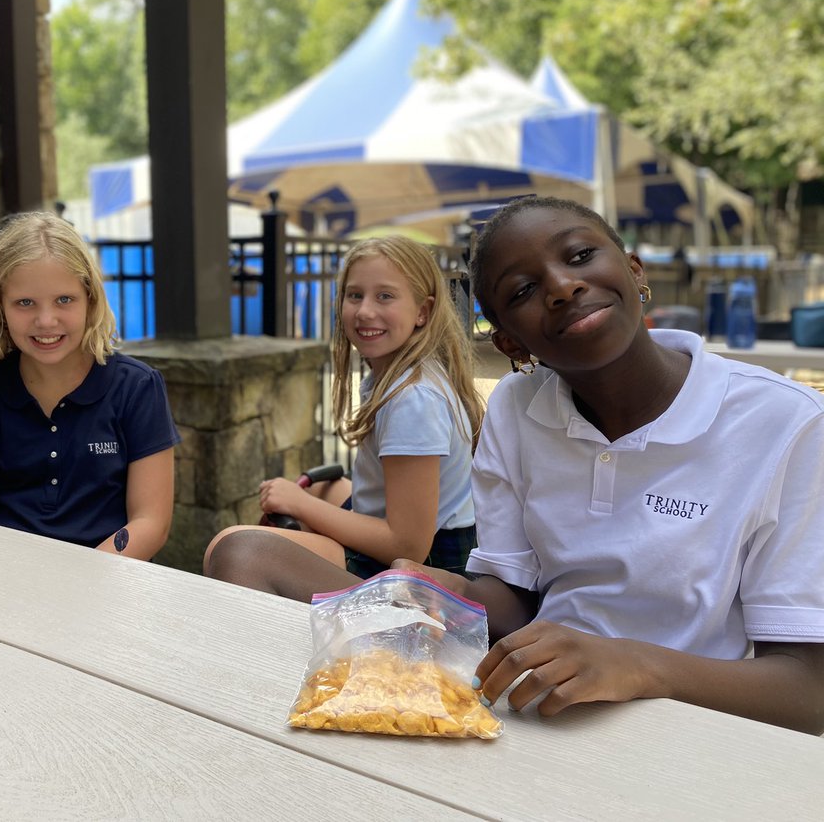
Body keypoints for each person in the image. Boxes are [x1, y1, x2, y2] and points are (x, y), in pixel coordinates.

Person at [393, 195, 824, 734]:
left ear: (634, 269)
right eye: (523, 290)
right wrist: (449, 594)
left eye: (578, 256)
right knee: (254, 551)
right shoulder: (516, 405)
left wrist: (637, 665)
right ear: (510, 342)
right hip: (537, 715)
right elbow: (515, 600)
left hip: (696, 734)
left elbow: (808, 694)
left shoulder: (787, 423)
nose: (562, 287)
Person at [203, 235, 484, 601]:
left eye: (385, 296)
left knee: (231, 549)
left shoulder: (413, 399)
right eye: (355, 295)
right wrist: (308, 502)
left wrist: (300, 505)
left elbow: (408, 545)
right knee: (324, 487)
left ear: (423, 311)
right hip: (420, 546)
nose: (365, 311)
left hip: (427, 574)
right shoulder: (397, 375)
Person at [0, 211, 179, 560]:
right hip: (7, 582)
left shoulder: (138, 388)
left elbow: (151, 522)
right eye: (24, 303)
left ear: (90, 299)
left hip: (111, 579)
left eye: (64, 299)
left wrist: (83, 581)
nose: (46, 320)